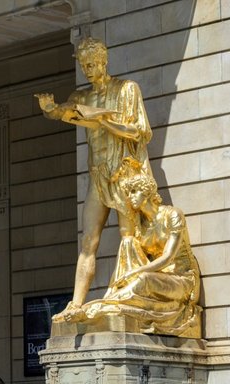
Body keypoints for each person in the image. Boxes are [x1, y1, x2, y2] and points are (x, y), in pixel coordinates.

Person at [36, 37, 152, 323]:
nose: (87, 69)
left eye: (92, 64)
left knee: (129, 237)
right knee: (88, 240)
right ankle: (76, 303)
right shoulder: (81, 97)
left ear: (103, 61)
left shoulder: (126, 90)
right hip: (98, 175)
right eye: (83, 65)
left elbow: (140, 131)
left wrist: (103, 120)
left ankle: (129, 296)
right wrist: (50, 109)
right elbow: (66, 112)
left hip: (125, 174)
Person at [76, 156, 202, 337]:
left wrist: (135, 273)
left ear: (148, 192)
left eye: (135, 192)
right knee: (141, 279)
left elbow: (167, 257)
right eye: (129, 193)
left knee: (143, 280)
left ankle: (102, 306)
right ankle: (110, 305)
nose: (131, 197)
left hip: (182, 280)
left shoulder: (173, 214)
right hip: (158, 277)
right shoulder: (141, 229)